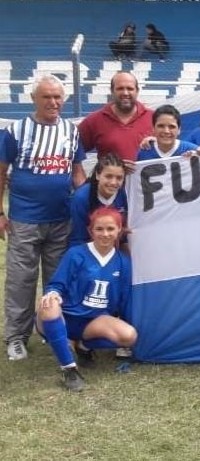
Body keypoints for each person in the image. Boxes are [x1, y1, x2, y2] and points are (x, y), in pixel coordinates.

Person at [1, 75, 87, 361]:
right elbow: (1, 172)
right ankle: (16, 337)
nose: (53, 102)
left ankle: (53, 330)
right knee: (21, 280)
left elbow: (77, 171)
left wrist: (85, 201)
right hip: (25, 219)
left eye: (57, 97)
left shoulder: (70, 131)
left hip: (62, 218)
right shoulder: (16, 131)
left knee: (57, 281)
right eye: (47, 97)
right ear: (34, 99)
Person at [36, 207, 135, 391]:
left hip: (92, 322)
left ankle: (82, 344)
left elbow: (124, 300)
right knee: (49, 304)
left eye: (110, 229)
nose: (105, 234)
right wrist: (53, 293)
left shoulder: (123, 262)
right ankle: (69, 369)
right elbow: (57, 284)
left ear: (119, 231)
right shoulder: (76, 253)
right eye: (99, 229)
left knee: (129, 336)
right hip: (65, 316)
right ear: (91, 231)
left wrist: (127, 334)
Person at [79, 71, 154, 163]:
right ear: (112, 91)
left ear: (137, 91)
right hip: (111, 177)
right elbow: (73, 152)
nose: (125, 93)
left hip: (146, 177)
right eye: (120, 88)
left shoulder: (154, 119)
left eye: (130, 88)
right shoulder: (94, 121)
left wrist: (159, 142)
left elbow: (171, 149)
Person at [69, 153, 127, 248]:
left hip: (117, 246)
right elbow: (78, 238)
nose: (113, 182)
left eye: (119, 178)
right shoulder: (81, 197)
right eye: (108, 176)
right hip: (87, 247)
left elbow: (125, 238)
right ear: (97, 175)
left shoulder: (125, 195)